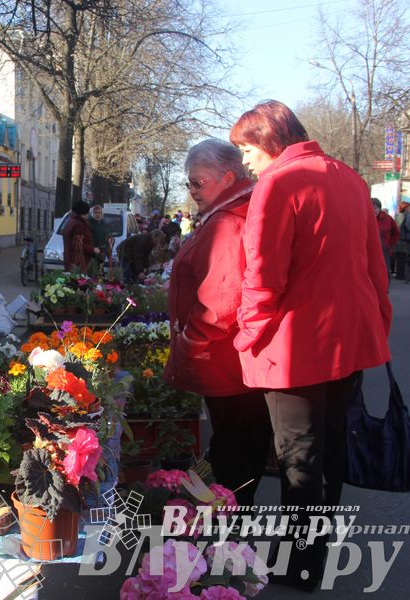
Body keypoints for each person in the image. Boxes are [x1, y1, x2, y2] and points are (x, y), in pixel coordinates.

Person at [230, 100, 391, 590]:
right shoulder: (349, 178)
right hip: (349, 339)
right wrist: (377, 324)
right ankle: (312, 559)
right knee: (332, 451)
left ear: (270, 139)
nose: (245, 161)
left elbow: (263, 277)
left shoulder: (278, 184)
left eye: (247, 148)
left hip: (295, 347)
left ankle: (298, 567)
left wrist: (246, 334)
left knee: (299, 458)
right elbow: (374, 267)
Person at [163, 139, 270, 507]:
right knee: (236, 450)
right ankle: (229, 540)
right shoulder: (230, 213)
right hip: (231, 363)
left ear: (227, 177)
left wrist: (190, 344)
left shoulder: (227, 222)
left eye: (198, 183)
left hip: (227, 363)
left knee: (233, 461)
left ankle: (229, 547)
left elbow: (220, 300)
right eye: (189, 184)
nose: (192, 192)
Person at [62, 200, 100, 271]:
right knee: (79, 280)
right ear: (84, 213)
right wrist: (93, 249)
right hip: (78, 261)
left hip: (71, 259)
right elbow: (77, 244)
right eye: (87, 213)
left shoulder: (71, 221)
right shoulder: (79, 225)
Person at [372, 197, 399, 273]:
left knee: (384, 272)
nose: (374, 210)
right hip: (369, 250)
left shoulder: (387, 219)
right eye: (371, 208)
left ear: (379, 208)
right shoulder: (365, 218)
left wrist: (390, 245)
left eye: (376, 208)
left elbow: (396, 233)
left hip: (383, 250)